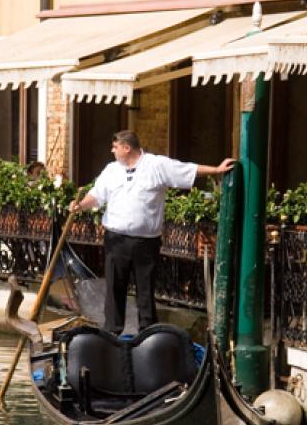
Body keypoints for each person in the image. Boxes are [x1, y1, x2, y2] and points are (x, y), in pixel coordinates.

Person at [70, 130, 235, 335]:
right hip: (116, 239)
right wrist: (80, 205)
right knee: (114, 287)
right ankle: (112, 331)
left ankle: (147, 333)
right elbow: (96, 195)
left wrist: (217, 170)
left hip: (145, 242)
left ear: (126, 148)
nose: (112, 151)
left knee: (145, 289)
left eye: (115, 147)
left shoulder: (156, 165)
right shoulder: (111, 170)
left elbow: (186, 169)